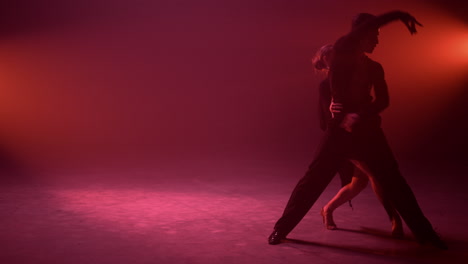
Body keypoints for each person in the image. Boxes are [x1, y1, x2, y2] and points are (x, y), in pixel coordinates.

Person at [268, 10, 447, 249]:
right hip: (338, 134)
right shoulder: (342, 52)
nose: (377, 40)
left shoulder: (375, 68)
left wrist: (358, 114)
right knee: (311, 182)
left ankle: (426, 234)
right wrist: (399, 15)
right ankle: (281, 229)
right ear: (361, 35)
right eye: (375, 34)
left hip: (367, 132)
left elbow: (383, 101)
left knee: (395, 182)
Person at [312, 44, 403, 237]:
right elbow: (325, 119)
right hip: (344, 139)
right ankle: (394, 219)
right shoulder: (325, 85)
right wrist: (338, 122)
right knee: (375, 174)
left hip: (362, 134)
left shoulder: (349, 80)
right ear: (325, 60)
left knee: (359, 183)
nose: (335, 60)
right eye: (330, 57)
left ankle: (327, 209)